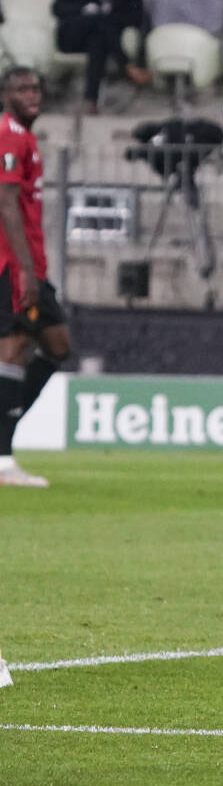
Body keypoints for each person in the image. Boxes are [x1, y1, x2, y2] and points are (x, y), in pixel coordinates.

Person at [0, 66, 71, 487]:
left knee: (57, 344)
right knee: (13, 350)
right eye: (21, 88)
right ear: (6, 95)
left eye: (36, 87)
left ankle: (2, 433)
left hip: (32, 268)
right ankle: (3, 460)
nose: (32, 94)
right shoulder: (9, 133)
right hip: (14, 266)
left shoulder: (24, 137)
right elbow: (6, 203)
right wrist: (24, 270)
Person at [51, 0, 152, 115]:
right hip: (73, 35)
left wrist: (112, 15)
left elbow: (136, 16)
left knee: (97, 40)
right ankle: (127, 65)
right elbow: (58, 8)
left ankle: (90, 100)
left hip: (103, 39)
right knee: (97, 20)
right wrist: (83, 10)